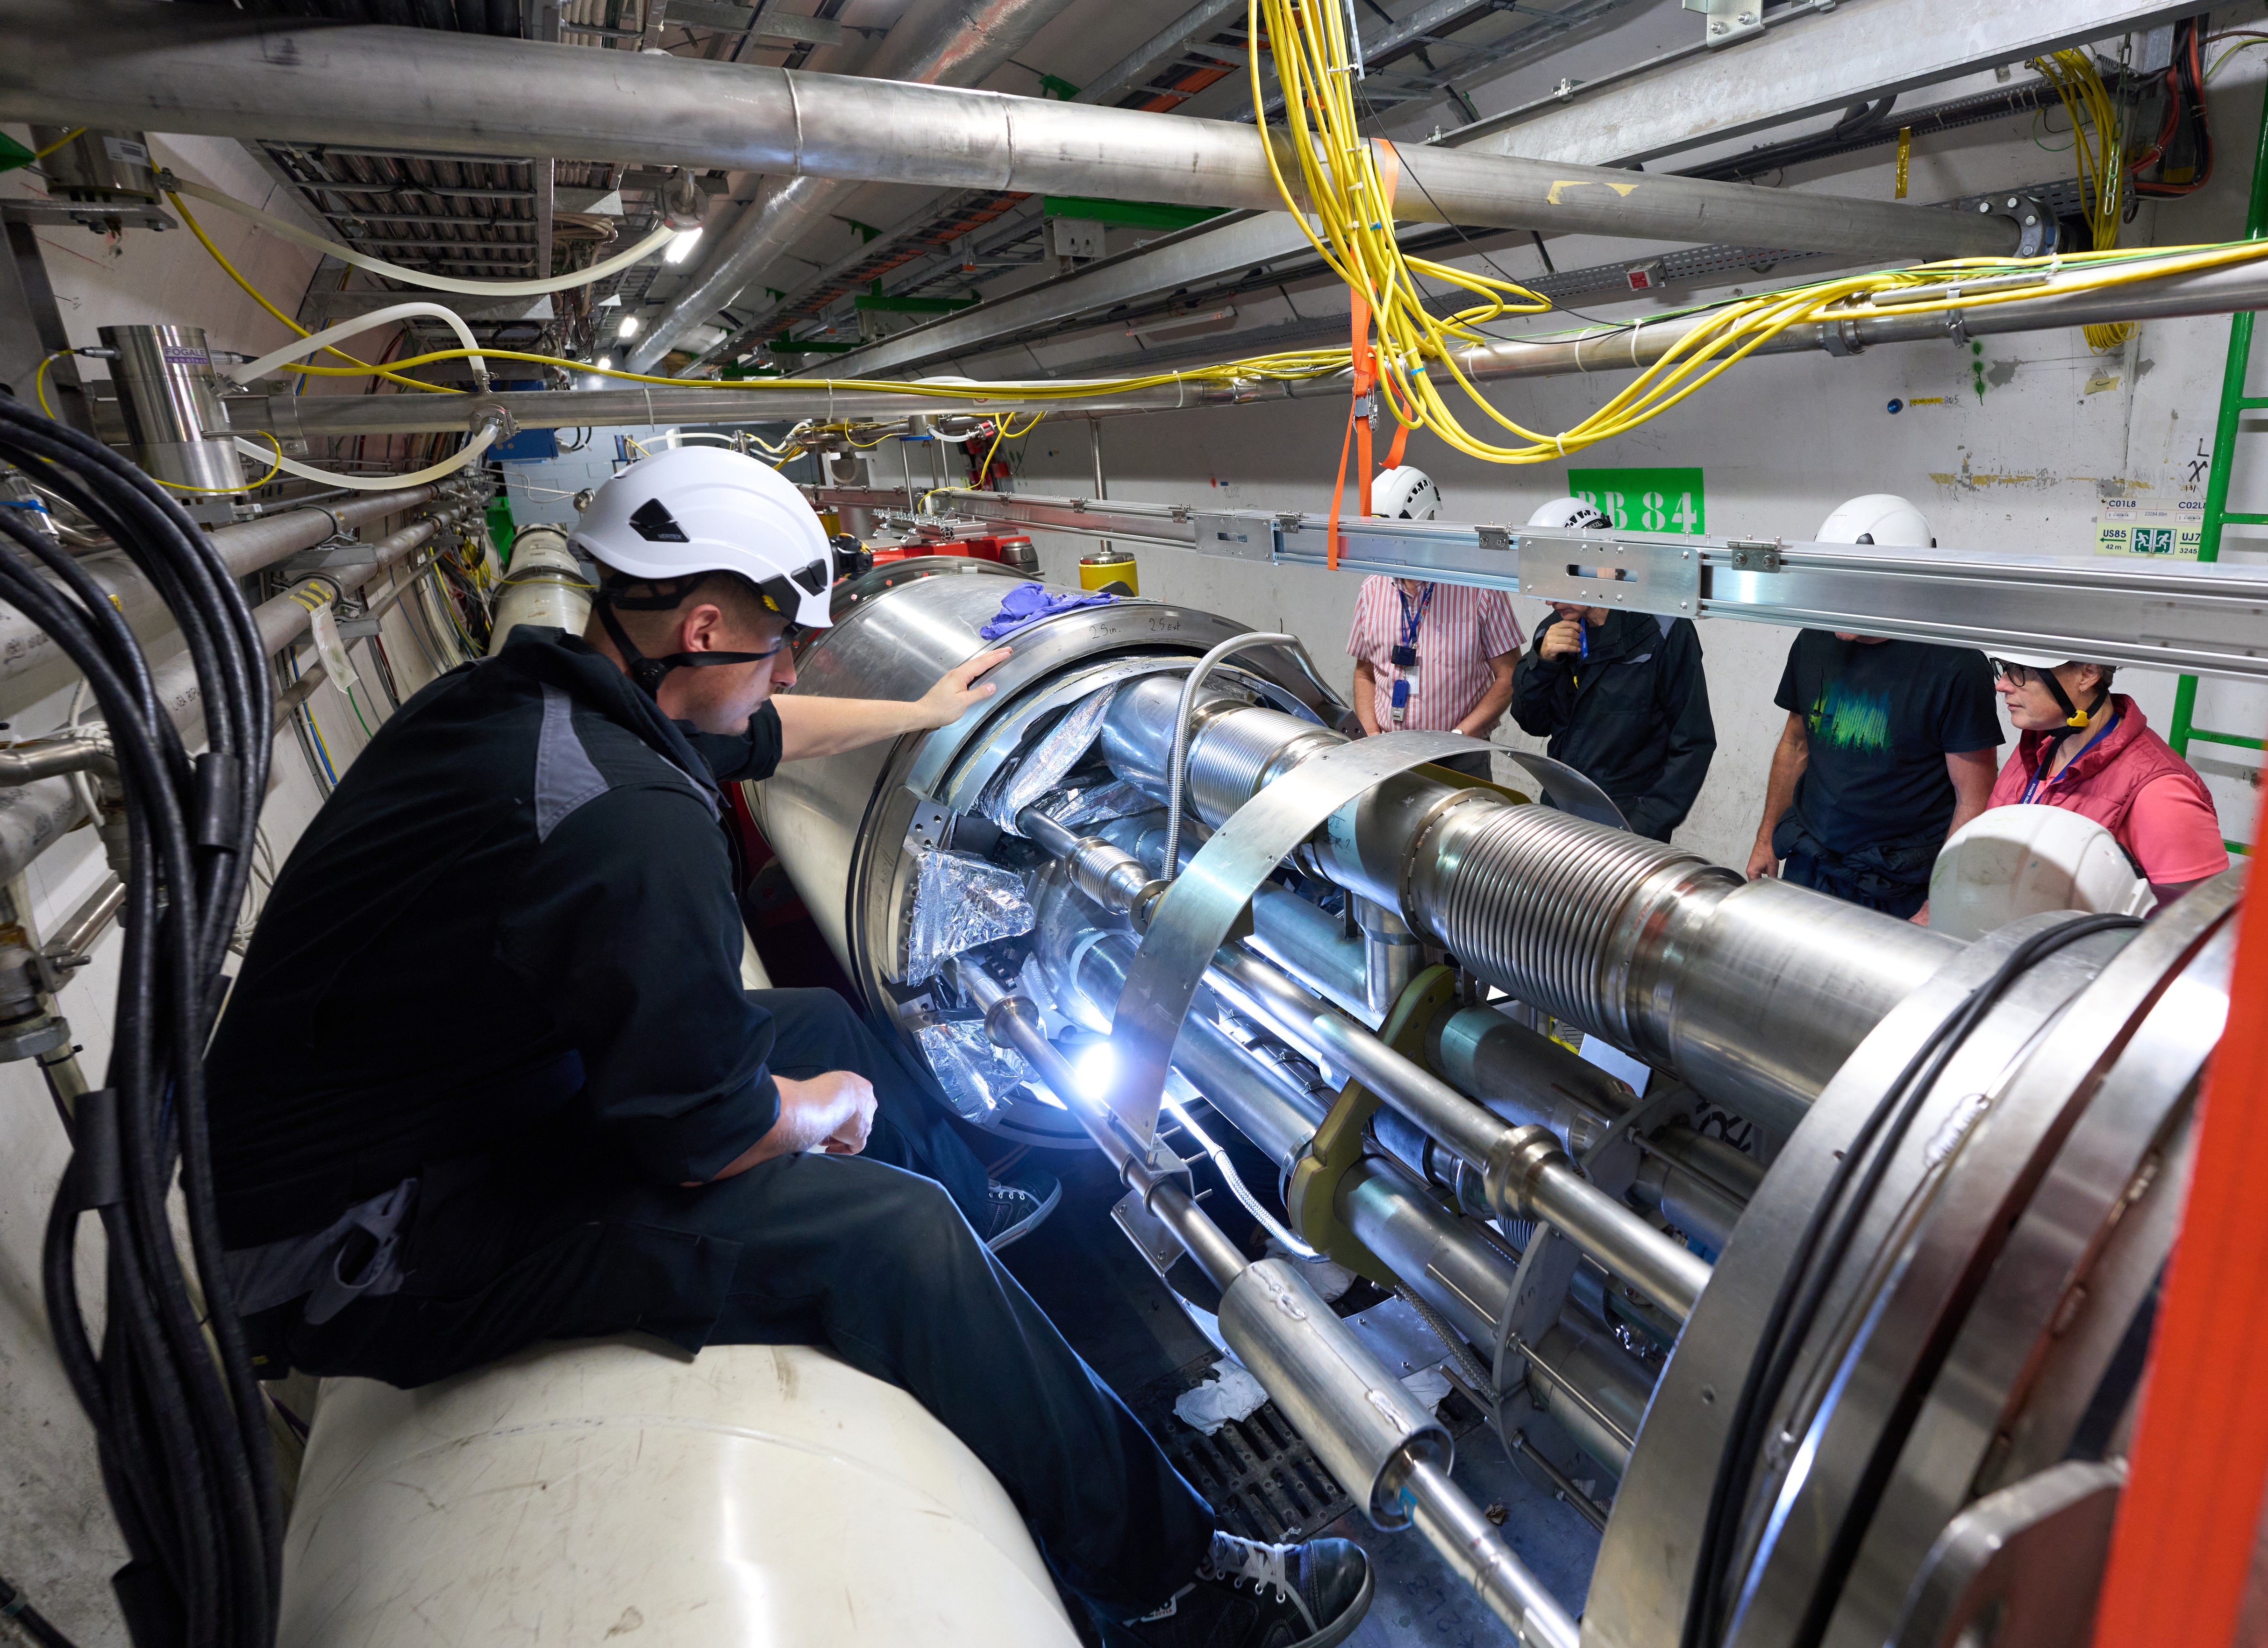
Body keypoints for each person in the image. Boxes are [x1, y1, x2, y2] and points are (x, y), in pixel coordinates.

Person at [203, 448, 1374, 1648]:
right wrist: (822, 1110)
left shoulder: (555, 700)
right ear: (702, 627)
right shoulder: (626, 824)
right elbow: (705, 1134)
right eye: (779, 644)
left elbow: (765, 731)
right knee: (888, 1232)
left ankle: (987, 1268)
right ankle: (1178, 1587)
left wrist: (928, 710)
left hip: (458, 1100)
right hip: (368, 1233)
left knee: (813, 1021)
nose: (788, 670)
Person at [1746, 495, 2002, 918]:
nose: (1837, 600)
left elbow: (1973, 798)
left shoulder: (1955, 665)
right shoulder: (1813, 642)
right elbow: (1795, 745)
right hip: (1811, 863)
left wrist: (1942, 898)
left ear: (1903, 579)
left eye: (1855, 583)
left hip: (1897, 885)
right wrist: (1765, 839)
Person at [1510, 497, 1715, 840]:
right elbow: (1533, 724)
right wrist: (1541, 664)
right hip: (1560, 812)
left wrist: (1646, 824)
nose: (1546, 598)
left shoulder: (1662, 631)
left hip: (1630, 824)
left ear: (1591, 566)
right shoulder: (1553, 631)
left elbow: (1693, 742)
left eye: (1553, 580)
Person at [1985, 649, 2228, 906]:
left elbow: (2192, 927)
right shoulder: (2036, 749)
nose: (2001, 685)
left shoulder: (2160, 792)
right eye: (2003, 667)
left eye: (2020, 671)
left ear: (2088, 673)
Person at [1346, 465, 1524, 759]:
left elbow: (1510, 676)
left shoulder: (1478, 588)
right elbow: (1365, 673)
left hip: (1459, 757)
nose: (1384, 545)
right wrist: (1371, 736)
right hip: (1386, 754)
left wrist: (1459, 737)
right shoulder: (1372, 589)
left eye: (1394, 534)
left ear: (1425, 523)